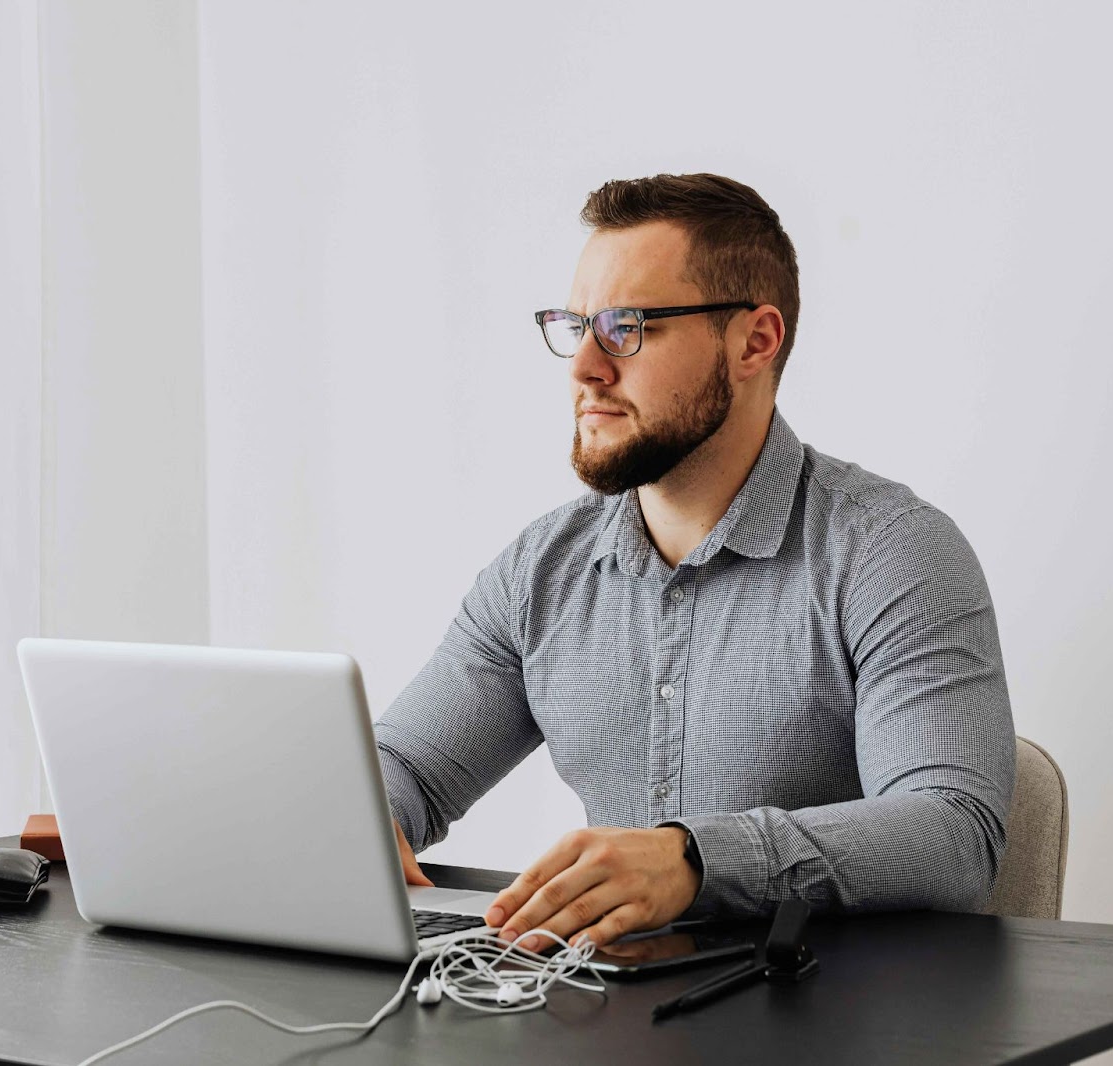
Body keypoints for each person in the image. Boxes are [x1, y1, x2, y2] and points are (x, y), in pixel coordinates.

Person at [375, 173, 1015, 953]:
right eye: (575, 324)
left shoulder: (892, 553)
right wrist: (368, 813)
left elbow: (954, 832)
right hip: (604, 1016)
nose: (584, 366)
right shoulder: (540, 572)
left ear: (755, 341)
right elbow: (404, 764)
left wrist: (694, 859)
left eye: (627, 326)